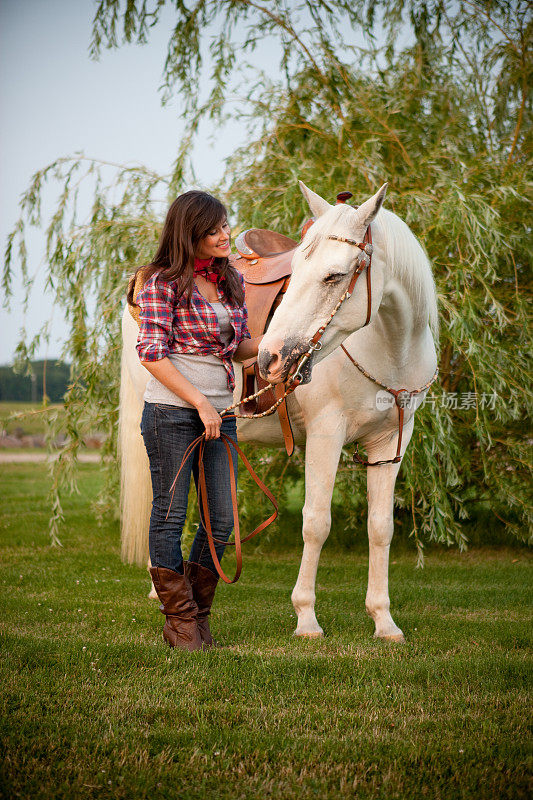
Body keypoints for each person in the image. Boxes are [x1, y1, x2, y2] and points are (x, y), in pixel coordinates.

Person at [127, 190, 262, 651]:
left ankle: (199, 617)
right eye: (213, 230)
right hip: (171, 412)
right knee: (170, 518)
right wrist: (199, 404)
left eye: (226, 226)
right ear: (190, 234)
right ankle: (181, 623)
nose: (225, 236)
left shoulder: (230, 282)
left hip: (220, 414)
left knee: (221, 522)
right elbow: (151, 354)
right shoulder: (161, 283)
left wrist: (273, 349)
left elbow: (239, 345)